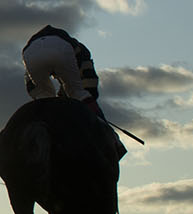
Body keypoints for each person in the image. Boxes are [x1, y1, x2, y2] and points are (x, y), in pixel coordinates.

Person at [22, 25, 125, 158]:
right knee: (79, 93)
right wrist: (87, 102)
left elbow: (32, 88)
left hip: (29, 53)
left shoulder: (35, 48)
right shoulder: (80, 50)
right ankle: (114, 141)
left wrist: (49, 98)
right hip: (60, 49)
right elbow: (89, 83)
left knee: (44, 98)